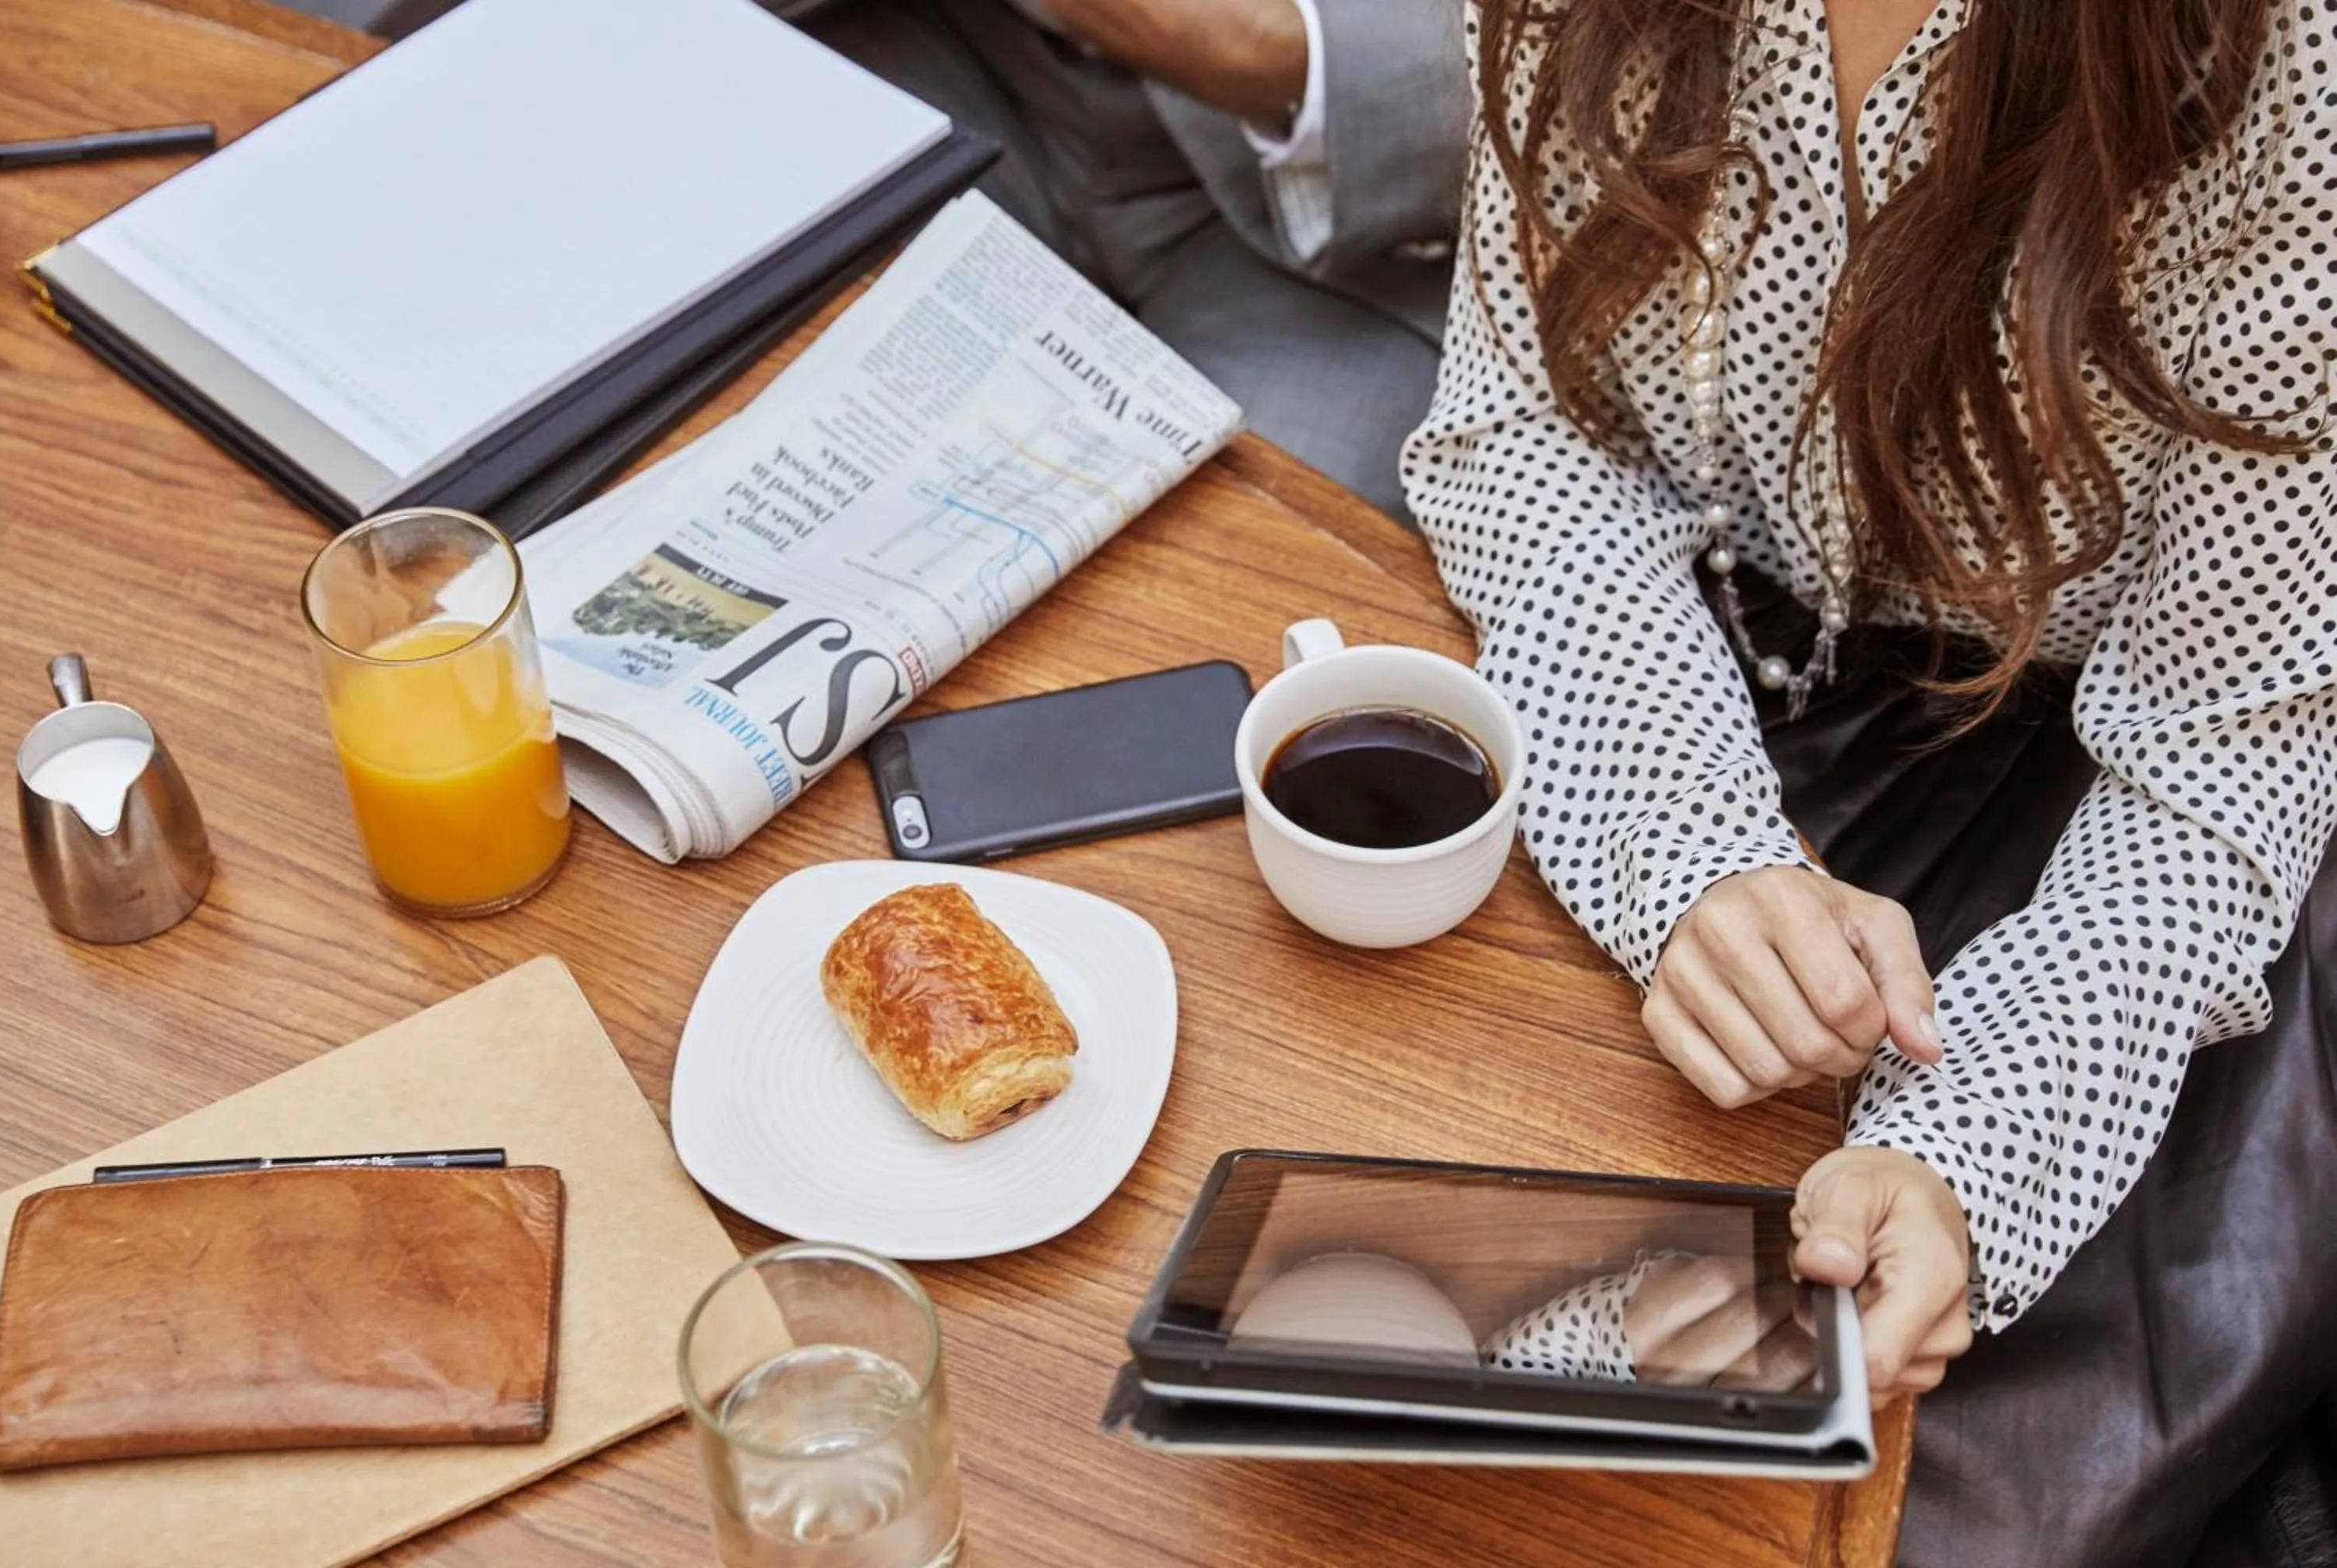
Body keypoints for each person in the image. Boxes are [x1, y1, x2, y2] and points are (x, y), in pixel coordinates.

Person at [1403, 1, 2337, 1563]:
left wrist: (1969, 1156)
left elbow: (2217, 752)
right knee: (1436, 1397)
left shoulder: (2289, 60)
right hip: (1698, 674)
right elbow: (1527, 426)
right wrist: (1689, 841)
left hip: (2115, 821)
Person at [794, 0, 1469, 520]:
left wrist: (1268, 49)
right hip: (954, 73)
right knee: (786, 418)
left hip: (1358, 232)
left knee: (1217, 573)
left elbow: (1543, 88)